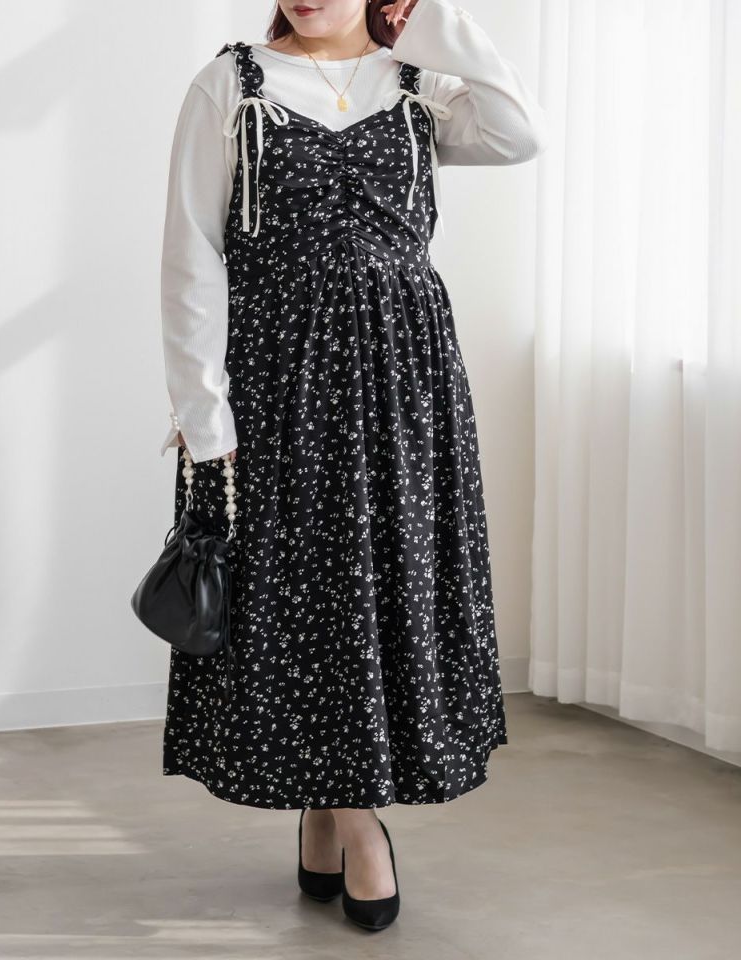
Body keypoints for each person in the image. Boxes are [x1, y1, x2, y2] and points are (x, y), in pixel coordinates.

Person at [157, 0, 548, 932]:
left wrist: (432, 22)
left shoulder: (418, 85)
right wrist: (203, 413)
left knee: (381, 592)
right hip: (276, 379)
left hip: (404, 381)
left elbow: (518, 133)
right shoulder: (231, 86)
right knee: (303, 595)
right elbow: (190, 254)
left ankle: (332, 810)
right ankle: (357, 820)